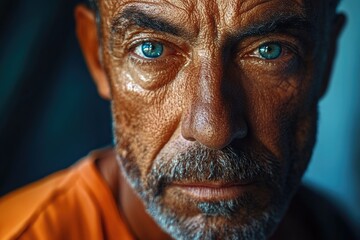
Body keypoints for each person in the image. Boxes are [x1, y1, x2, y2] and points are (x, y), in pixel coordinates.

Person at [0, 0, 356, 239]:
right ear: (98, 56)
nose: (213, 129)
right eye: (151, 49)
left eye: (270, 50)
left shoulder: (324, 224)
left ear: (326, 58)